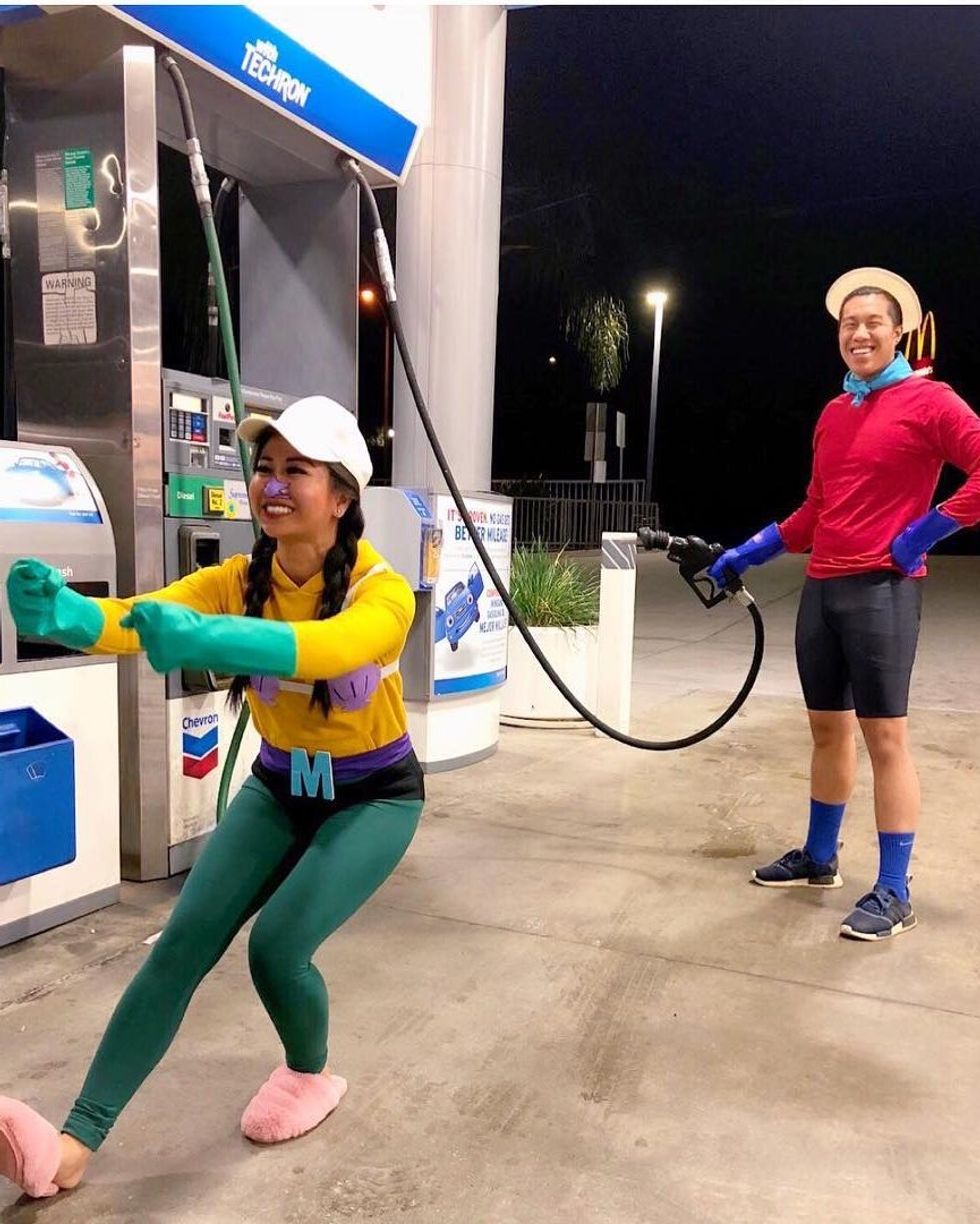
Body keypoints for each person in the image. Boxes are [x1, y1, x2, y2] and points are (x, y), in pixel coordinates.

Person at [0, 396, 424, 1198]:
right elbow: (140, 619)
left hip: (372, 798)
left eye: (296, 470)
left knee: (277, 949)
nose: (273, 483)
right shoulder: (238, 580)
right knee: (180, 945)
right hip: (278, 787)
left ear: (341, 496)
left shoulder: (383, 590)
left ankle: (309, 1073)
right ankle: (73, 1144)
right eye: (265, 467)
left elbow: (330, 648)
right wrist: (67, 614)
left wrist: (210, 639)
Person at [708, 267, 980, 941]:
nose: (860, 333)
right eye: (848, 324)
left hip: (884, 590)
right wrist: (751, 550)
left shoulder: (931, 401)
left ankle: (894, 889)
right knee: (827, 732)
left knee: (885, 740)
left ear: (898, 332)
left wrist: (925, 531)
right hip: (823, 589)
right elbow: (815, 510)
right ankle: (820, 857)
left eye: (873, 322)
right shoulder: (836, 413)